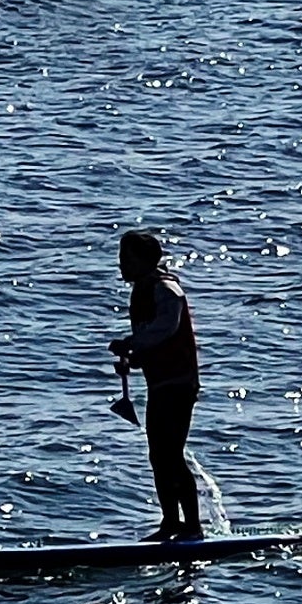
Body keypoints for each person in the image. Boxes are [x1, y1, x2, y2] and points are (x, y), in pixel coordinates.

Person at [107, 229, 204, 539]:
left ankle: (193, 528)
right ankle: (170, 524)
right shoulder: (141, 290)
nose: (121, 265)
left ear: (145, 261)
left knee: (170, 454)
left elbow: (166, 327)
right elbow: (154, 341)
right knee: (158, 455)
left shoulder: (165, 289)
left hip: (178, 384)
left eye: (127, 259)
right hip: (160, 384)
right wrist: (133, 358)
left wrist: (132, 343)